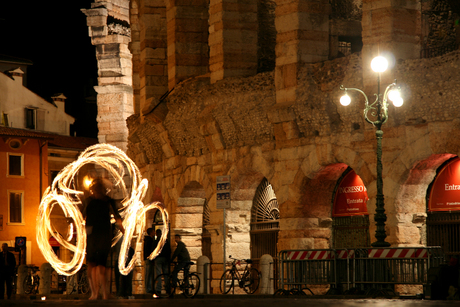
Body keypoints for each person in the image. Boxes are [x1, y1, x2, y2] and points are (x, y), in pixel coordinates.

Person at [83, 178, 124, 300]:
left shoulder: (98, 201)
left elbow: (117, 217)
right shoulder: (93, 201)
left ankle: (102, 293)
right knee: (94, 264)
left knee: (100, 264)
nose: (97, 192)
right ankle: (96, 293)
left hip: (101, 234)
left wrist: (123, 229)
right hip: (97, 234)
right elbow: (80, 216)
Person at [153, 229, 171, 294]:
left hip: (158, 258)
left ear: (156, 234)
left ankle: (158, 289)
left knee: (159, 274)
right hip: (165, 259)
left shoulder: (155, 241)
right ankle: (168, 288)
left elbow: (153, 251)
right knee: (166, 274)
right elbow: (169, 250)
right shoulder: (165, 241)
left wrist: (153, 259)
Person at [143, 228, 155, 294]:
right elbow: (149, 250)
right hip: (149, 259)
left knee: (149, 274)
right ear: (151, 233)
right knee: (148, 274)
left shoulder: (148, 240)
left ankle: (149, 288)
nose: (154, 233)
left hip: (148, 258)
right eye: (153, 231)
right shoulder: (149, 240)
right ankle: (148, 288)